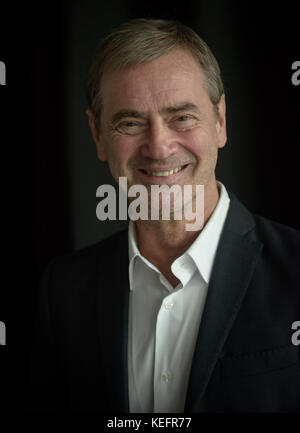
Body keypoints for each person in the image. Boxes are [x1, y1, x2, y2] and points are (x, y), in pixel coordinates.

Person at [25, 18, 300, 413]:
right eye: (130, 122)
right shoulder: (63, 292)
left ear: (220, 120)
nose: (158, 146)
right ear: (98, 135)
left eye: (181, 117)